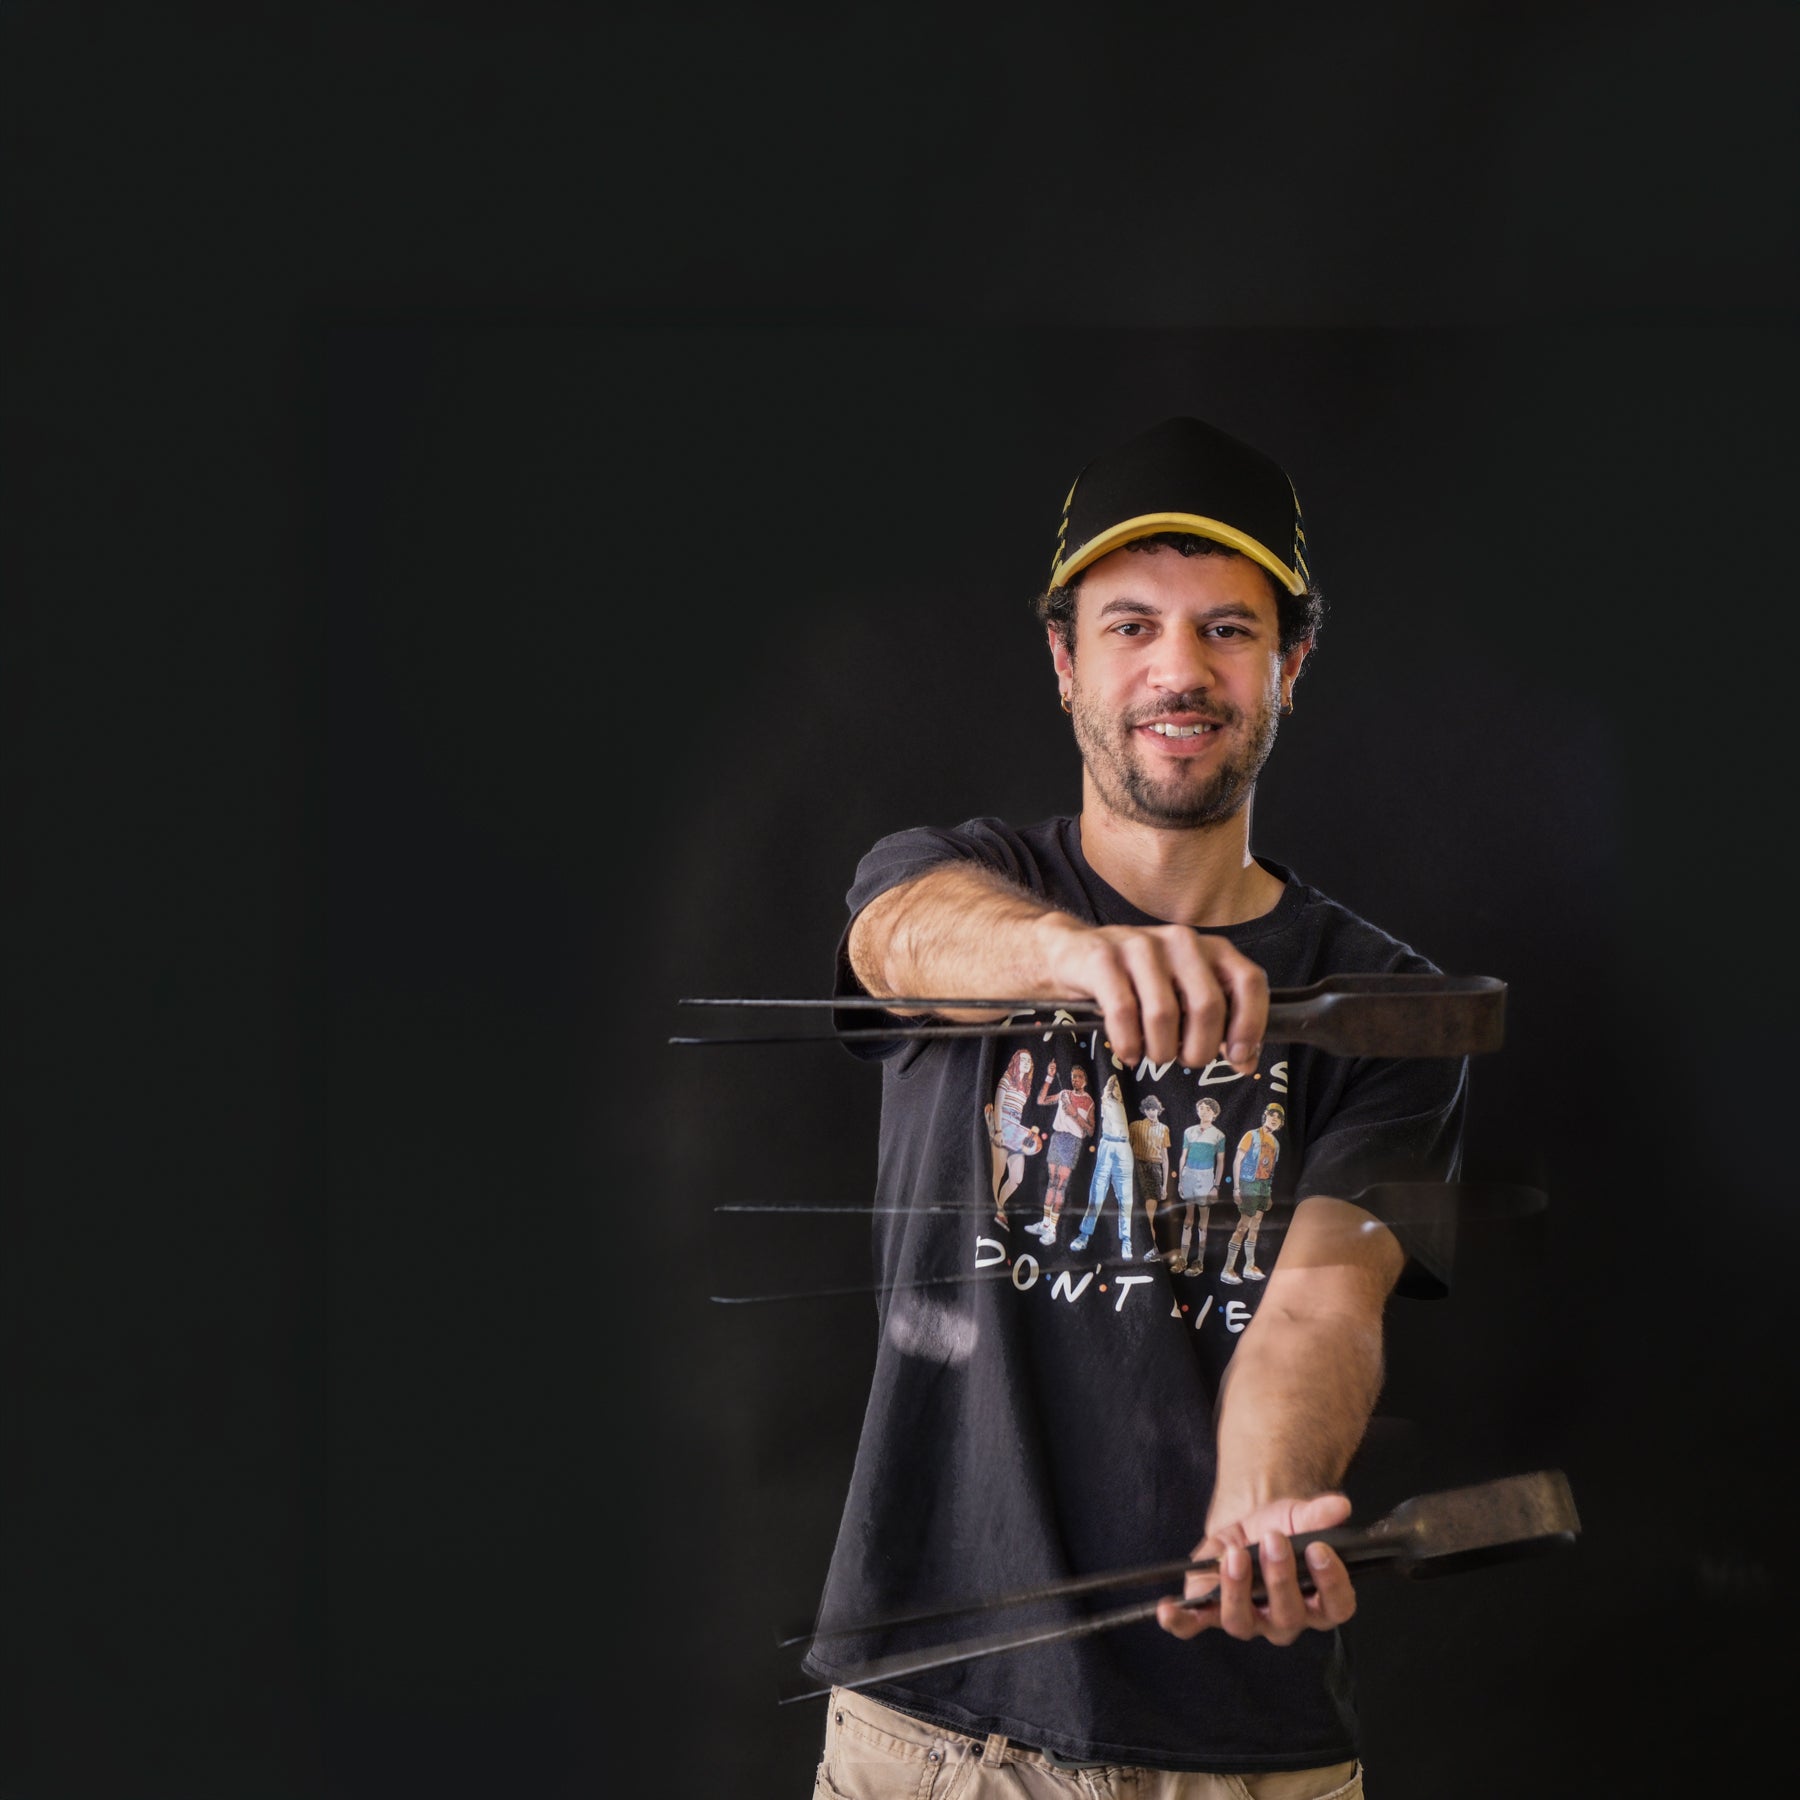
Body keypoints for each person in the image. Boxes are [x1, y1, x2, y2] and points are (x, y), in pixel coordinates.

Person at [804, 415, 1466, 1795]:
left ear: (1289, 669)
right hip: (929, 1737)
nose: (1181, 670)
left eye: (1230, 630)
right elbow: (899, 945)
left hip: (1240, 1755)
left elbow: (1322, 1304)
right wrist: (1081, 957)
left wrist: (1266, 1502)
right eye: (1130, 626)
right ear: (1065, 665)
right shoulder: (947, 880)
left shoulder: (1392, 1007)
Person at [1174, 1093, 1226, 1275]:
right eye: (1201, 1108)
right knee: (1188, 1218)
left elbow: (1220, 1162)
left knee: (1203, 1221)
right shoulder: (1189, 1131)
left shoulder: (1219, 1136)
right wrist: (1181, 1179)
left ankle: (1199, 1261)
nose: (1204, 1112)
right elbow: (1183, 1156)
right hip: (1189, 1174)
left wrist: (1216, 1186)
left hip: (1205, 1177)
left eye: (1208, 1109)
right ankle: (1183, 1258)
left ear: (1215, 1113)